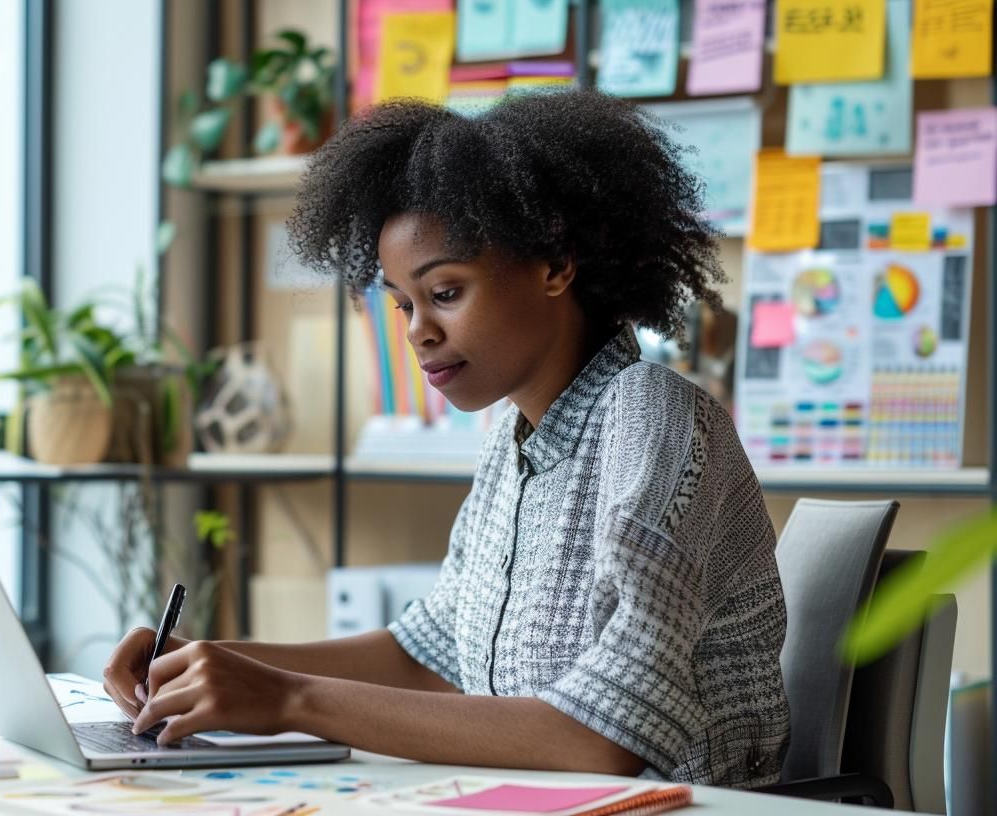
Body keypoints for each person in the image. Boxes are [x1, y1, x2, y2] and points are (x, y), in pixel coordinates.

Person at [102, 90, 789, 788]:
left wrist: (286, 699)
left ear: (555, 264)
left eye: (446, 293)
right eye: (404, 302)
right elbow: (423, 657)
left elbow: (607, 738)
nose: (416, 332)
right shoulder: (511, 444)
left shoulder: (652, 418)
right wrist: (211, 664)